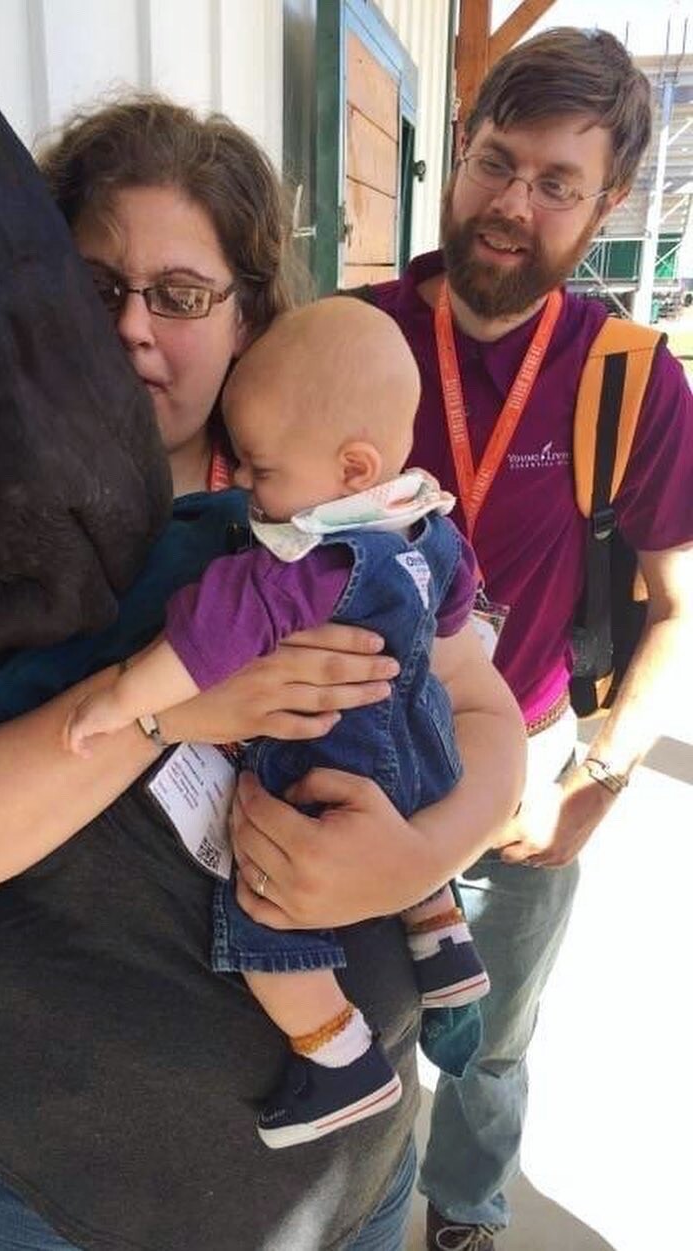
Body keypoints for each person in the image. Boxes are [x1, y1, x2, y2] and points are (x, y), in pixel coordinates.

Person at [0, 96, 525, 1251]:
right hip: (42, 1194)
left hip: (358, 1178)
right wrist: (164, 708)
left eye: (179, 297)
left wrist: (424, 854)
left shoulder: (326, 523)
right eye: (94, 287)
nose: (131, 328)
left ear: (245, 322)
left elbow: (486, 719)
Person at [358, 28, 693, 1250]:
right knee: (334, 1016)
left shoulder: (632, 379)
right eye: (497, 162)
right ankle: (343, 1205)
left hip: (526, 767)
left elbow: (677, 607)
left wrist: (591, 786)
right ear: (460, 151)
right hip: (342, 756)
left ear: (605, 205)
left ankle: (463, 1212)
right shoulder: (354, 335)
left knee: (488, 1043)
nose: (512, 205)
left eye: (557, 183)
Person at [65, 298, 492, 1150]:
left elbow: (204, 637)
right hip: (420, 752)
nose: (250, 490)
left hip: (328, 771)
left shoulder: (311, 558)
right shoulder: (425, 523)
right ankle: (445, 949)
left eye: (261, 471)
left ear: (350, 467)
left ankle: (338, 1059)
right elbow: (455, 614)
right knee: (408, 830)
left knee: (266, 910)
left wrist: (121, 698)